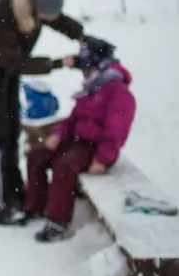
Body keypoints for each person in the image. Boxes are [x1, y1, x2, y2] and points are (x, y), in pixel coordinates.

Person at [0, 0, 83, 225]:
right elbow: (20, 63)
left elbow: (57, 19)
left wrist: (81, 35)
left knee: (14, 126)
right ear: (32, 5)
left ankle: (16, 193)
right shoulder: (5, 14)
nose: (45, 19)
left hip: (11, 62)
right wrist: (60, 63)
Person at [24, 36, 136, 242]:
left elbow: (116, 132)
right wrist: (58, 133)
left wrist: (102, 159)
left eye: (87, 69)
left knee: (64, 166)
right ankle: (36, 205)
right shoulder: (92, 88)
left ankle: (58, 221)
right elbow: (74, 118)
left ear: (100, 66)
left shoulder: (118, 92)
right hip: (76, 141)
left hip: (96, 148)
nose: (84, 74)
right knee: (37, 156)